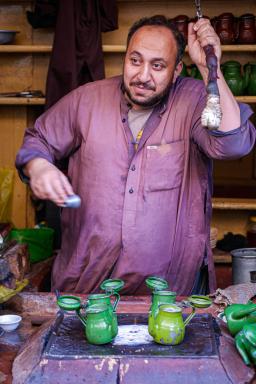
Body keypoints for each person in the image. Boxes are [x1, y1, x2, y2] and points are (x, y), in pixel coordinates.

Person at [16, 15, 256, 295]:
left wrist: (208, 70)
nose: (143, 76)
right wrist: (39, 166)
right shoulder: (87, 100)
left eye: (157, 66)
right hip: (86, 287)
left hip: (169, 294)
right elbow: (38, 138)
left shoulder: (192, 101)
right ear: (125, 57)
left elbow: (234, 143)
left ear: (177, 69)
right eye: (135, 61)